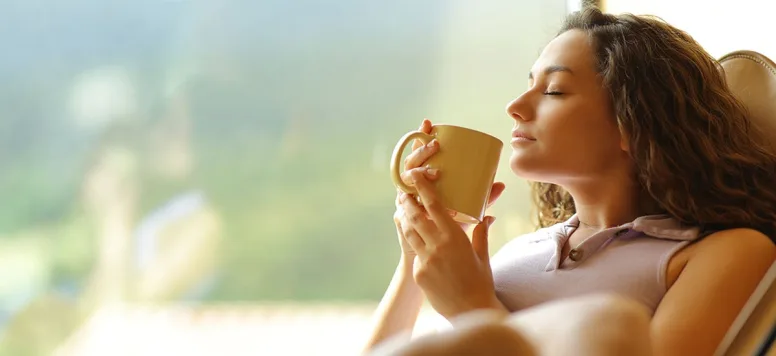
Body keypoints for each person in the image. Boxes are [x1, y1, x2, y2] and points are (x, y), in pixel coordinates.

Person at [363, 7, 776, 356]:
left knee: (610, 325)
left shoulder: (724, 252)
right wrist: (416, 260)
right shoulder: (520, 251)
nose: (515, 107)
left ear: (632, 123)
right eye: (529, 84)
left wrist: (473, 307)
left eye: (555, 91)